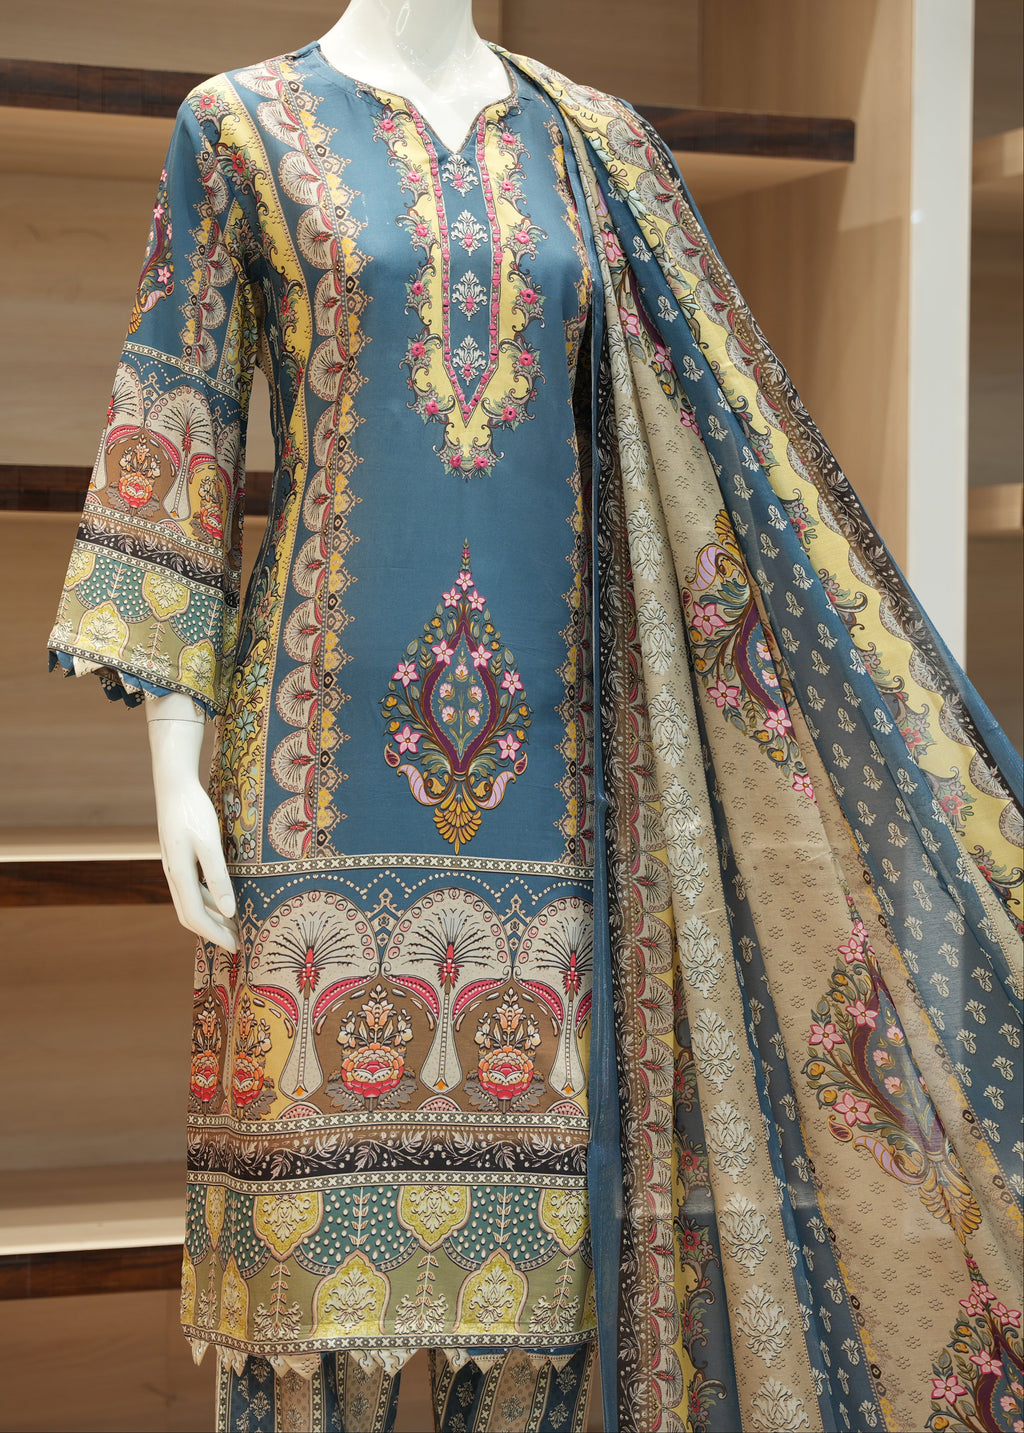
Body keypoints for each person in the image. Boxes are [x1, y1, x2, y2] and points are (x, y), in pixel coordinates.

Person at [48, 3, 1024, 1430]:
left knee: (547, 1312)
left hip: (557, 815)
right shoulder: (238, 126)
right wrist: (171, 765)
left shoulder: (596, 144)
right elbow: (183, 427)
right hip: (304, 802)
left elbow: (711, 452)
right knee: (316, 1312)